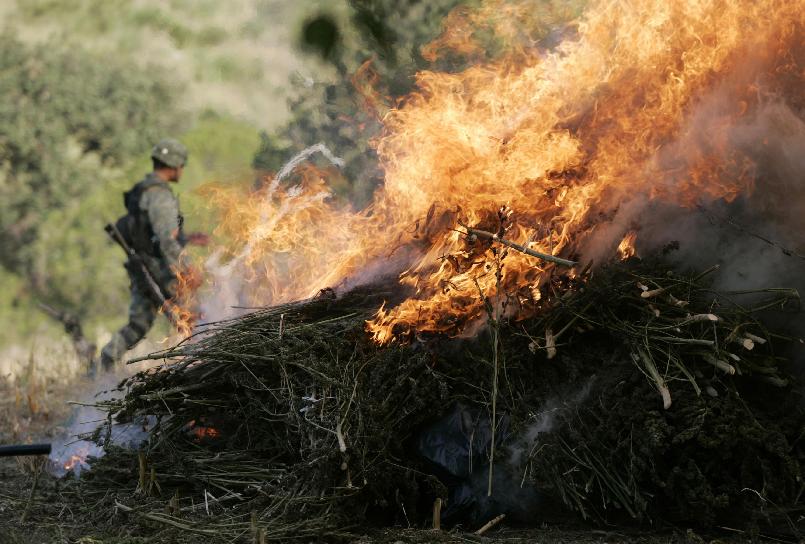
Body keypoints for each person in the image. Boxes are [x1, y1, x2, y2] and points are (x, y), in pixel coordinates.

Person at [99, 138, 208, 371]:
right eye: (181, 164)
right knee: (197, 321)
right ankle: (204, 370)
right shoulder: (159, 195)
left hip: (143, 268)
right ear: (173, 164)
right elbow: (165, 240)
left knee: (137, 325)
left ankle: (101, 366)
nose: (182, 169)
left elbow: (147, 233)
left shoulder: (143, 191)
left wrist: (187, 239)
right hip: (162, 272)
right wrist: (188, 269)